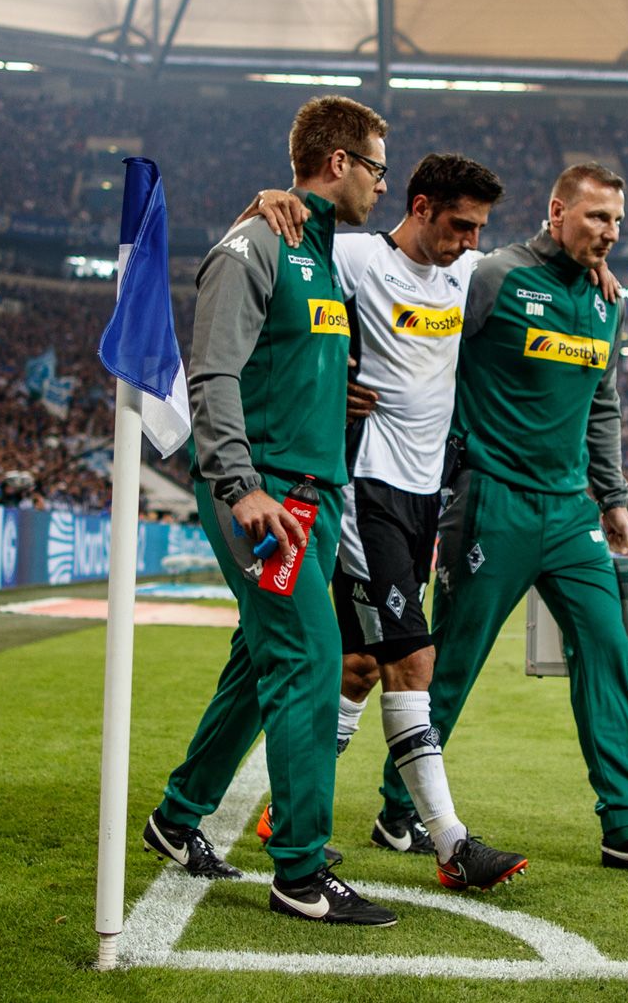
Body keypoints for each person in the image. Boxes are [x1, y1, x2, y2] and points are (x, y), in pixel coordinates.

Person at [241, 154, 616, 891]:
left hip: (425, 495)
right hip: (367, 487)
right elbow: (270, 266)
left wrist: (592, 265)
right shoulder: (357, 257)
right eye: (459, 226)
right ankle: (450, 843)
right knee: (415, 660)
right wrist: (271, 200)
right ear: (419, 208)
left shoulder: (468, 275)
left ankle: (287, 812)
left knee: (358, 667)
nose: (470, 242)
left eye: (479, 229)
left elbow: (540, 268)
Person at [375, 162, 628, 873]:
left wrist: (613, 498)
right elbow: (419, 317)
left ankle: (625, 828)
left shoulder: (606, 302)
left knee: (607, 649)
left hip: (570, 514)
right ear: (558, 212)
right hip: (491, 500)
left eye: (617, 221)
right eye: (596, 218)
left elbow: (603, 403)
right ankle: (399, 810)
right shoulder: (493, 275)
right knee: (453, 662)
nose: (610, 233)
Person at [140, 95, 398, 927]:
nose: (383, 187)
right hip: (267, 500)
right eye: (377, 169)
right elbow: (214, 372)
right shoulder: (255, 244)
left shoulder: (321, 249)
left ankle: (179, 815)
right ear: (338, 163)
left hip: (313, 497)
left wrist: (330, 392)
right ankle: (300, 872)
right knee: (311, 663)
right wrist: (238, 484)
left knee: (259, 669)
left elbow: (284, 357)